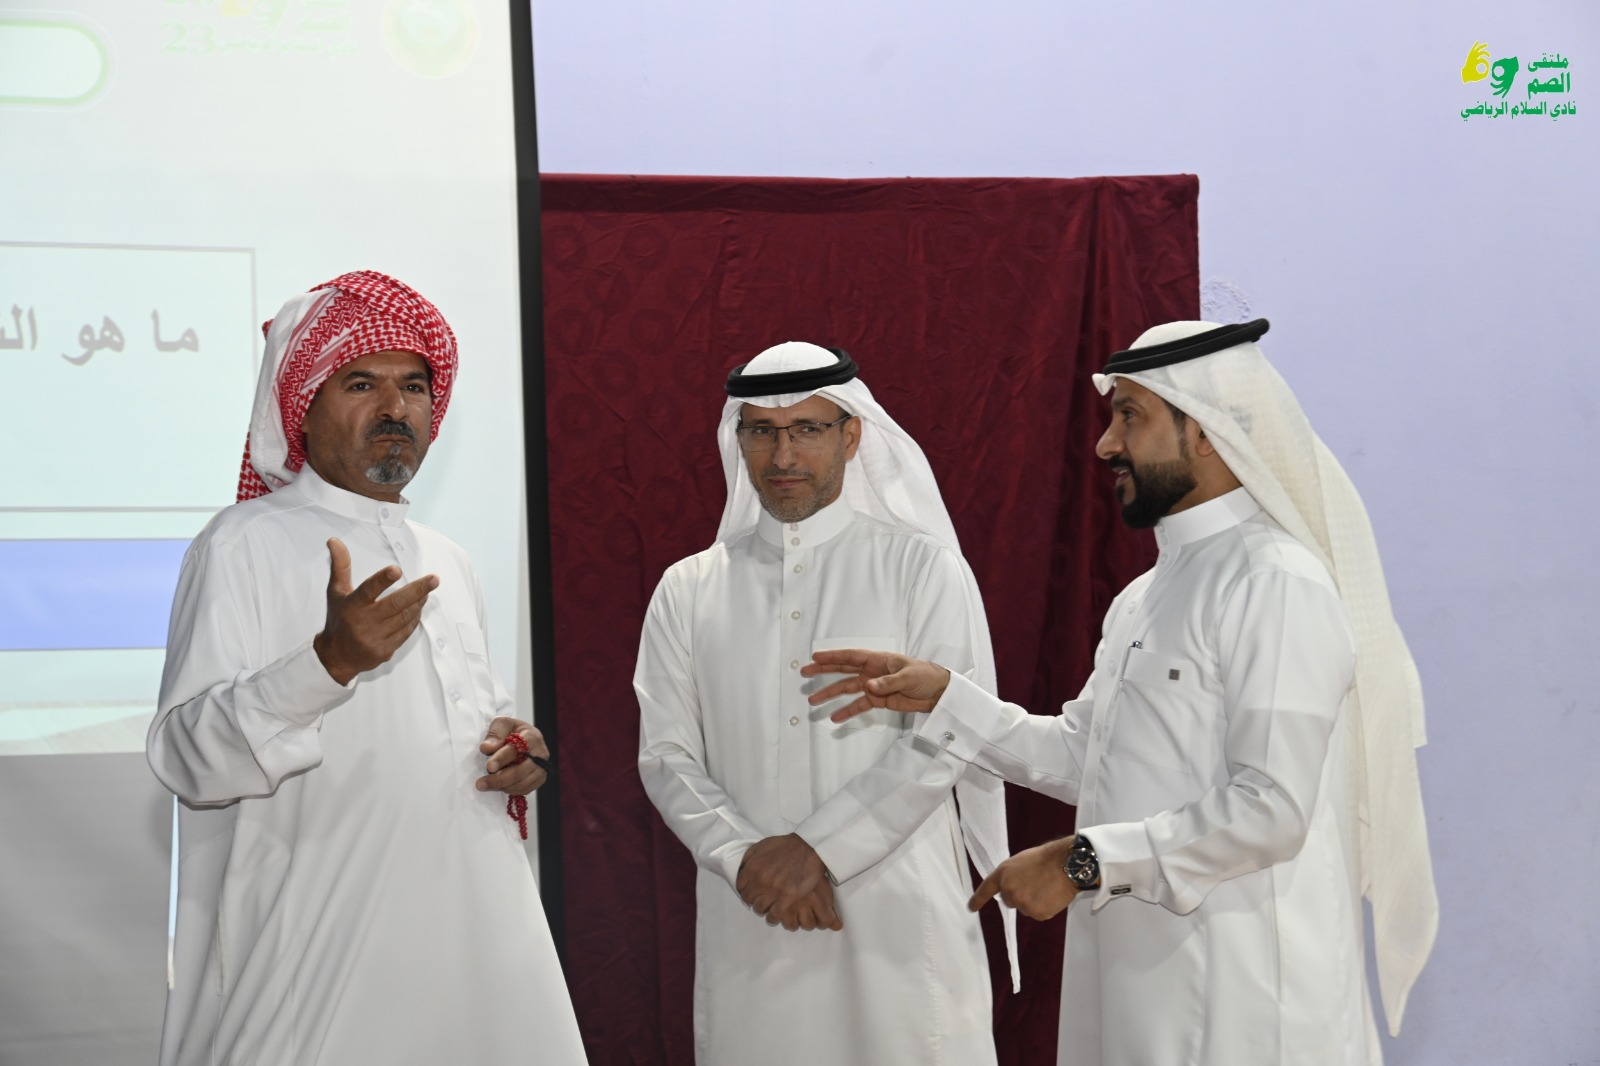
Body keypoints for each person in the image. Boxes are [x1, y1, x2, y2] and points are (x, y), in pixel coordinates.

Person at [806, 320, 1437, 1065]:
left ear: (1203, 431)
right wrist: (947, 698)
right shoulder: (1145, 595)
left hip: (1247, 1003)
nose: (1107, 444)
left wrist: (1080, 862)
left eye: (1130, 416)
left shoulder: (1276, 583)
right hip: (1142, 984)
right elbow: (1088, 757)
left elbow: (1271, 809)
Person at [148, 271, 587, 1066]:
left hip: (474, 945)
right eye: (362, 384)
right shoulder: (242, 544)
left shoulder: (448, 557)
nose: (395, 409)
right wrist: (328, 664)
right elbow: (187, 758)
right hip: (319, 959)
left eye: (413, 387)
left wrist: (514, 754)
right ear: (302, 407)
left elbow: (472, 726)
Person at [634, 342, 1019, 1065]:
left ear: (851, 436)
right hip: (753, 916)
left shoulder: (921, 566)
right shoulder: (688, 590)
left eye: (807, 429)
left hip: (898, 925)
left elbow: (948, 737)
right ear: (738, 440)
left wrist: (818, 850)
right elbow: (665, 754)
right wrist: (744, 857)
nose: (783, 455)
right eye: (762, 431)